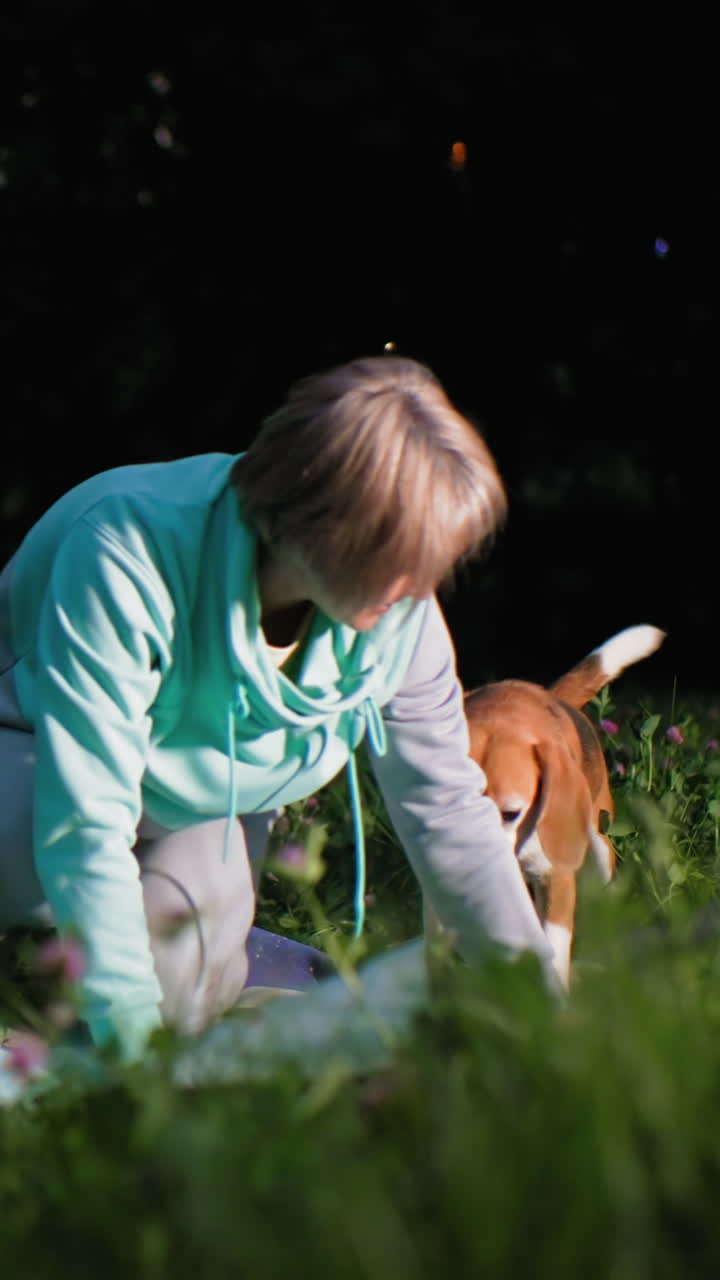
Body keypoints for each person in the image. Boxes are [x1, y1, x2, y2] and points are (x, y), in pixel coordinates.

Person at [0, 354, 555, 1062]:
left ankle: (198, 947)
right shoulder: (125, 548)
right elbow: (84, 821)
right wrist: (130, 1060)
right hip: (31, 761)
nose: (420, 591)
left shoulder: (400, 614)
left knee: (177, 996)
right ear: (322, 517)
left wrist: (541, 1012)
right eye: (400, 556)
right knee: (125, 1011)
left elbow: (447, 810)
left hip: (182, 811)